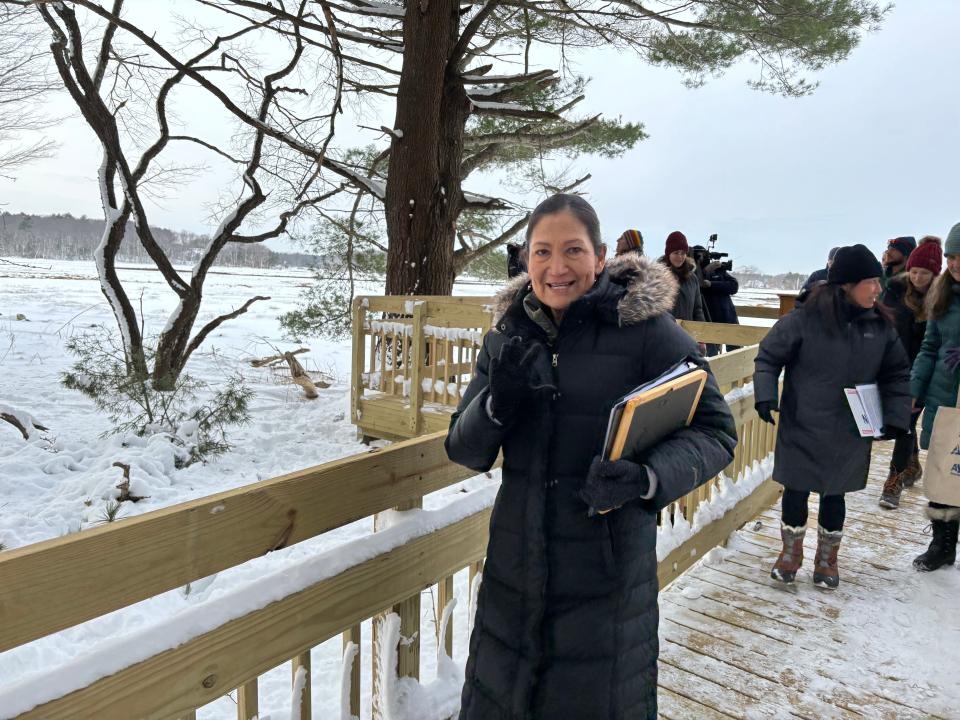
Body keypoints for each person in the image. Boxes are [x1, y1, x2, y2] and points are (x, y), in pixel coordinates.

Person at [445, 193, 737, 719]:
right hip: (515, 574)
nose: (557, 268)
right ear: (526, 259)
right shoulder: (508, 334)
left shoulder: (649, 332)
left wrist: (645, 479)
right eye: (542, 252)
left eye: (573, 250)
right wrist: (495, 404)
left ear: (600, 257)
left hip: (605, 583)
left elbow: (717, 433)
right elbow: (464, 451)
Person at [753, 244, 910, 589]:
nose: (878, 288)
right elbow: (768, 356)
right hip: (802, 423)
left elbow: (897, 373)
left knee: (834, 495)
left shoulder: (879, 326)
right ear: (847, 284)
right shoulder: (805, 319)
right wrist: (765, 395)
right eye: (870, 281)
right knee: (795, 492)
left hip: (850, 428)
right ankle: (790, 555)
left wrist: (897, 416)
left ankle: (827, 559)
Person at [908, 223, 960, 571]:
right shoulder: (942, 294)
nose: (955, 265)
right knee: (944, 470)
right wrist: (915, 391)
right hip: (945, 397)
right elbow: (929, 349)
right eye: (951, 257)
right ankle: (942, 545)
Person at [878, 236, 942, 509]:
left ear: (935, 273)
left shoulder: (941, 297)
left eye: (924, 273)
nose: (917, 277)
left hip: (924, 370)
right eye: (914, 271)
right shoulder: (894, 290)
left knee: (906, 421)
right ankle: (912, 465)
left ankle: (893, 481)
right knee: (904, 421)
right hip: (895, 366)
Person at [692, 246, 741, 356]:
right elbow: (698, 284)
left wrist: (712, 284)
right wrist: (705, 271)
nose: (702, 258)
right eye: (699, 256)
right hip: (709, 321)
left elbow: (734, 286)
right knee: (712, 357)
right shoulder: (693, 273)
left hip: (728, 318)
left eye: (703, 255)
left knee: (736, 354)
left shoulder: (719, 271)